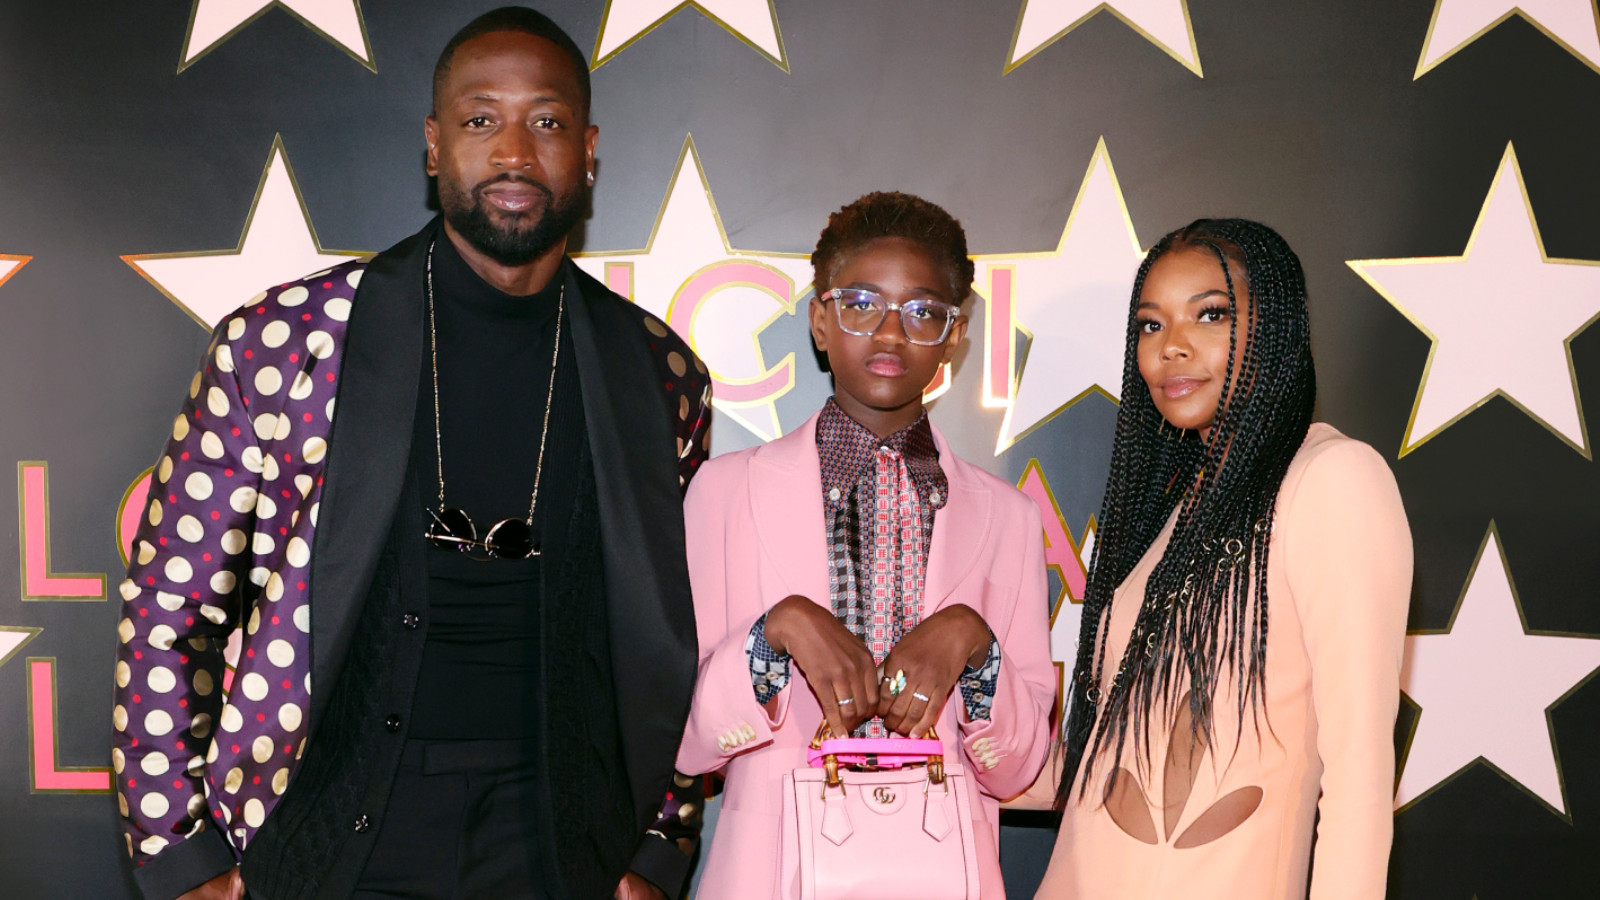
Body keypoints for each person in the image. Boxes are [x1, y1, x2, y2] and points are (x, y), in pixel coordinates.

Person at [110, 8, 710, 900]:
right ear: (435, 146)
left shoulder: (661, 374)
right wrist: (178, 854)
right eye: (480, 119)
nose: (513, 150)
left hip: (563, 846)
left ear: (587, 150)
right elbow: (170, 612)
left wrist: (658, 843)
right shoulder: (283, 344)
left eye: (545, 121)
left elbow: (677, 638)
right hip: (323, 835)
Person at [675, 192, 1055, 898]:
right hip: (767, 874)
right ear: (820, 320)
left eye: (922, 312)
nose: (889, 333)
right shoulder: (724, 493)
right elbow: (683, 737)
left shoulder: (1008, 517)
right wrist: (773, 635)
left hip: (946, 873)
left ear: (955, 335)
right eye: (860, 304)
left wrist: (976, 649)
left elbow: (1019, 767)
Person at [1031, 219, 1412, 899]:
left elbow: (1358, 778)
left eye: (1210, 315)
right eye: (1150, 326)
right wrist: (955, 732)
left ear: (1276, 328)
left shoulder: (1331, 479)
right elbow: (1099, 764)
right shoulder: (1169, 512)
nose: (1171, 347)